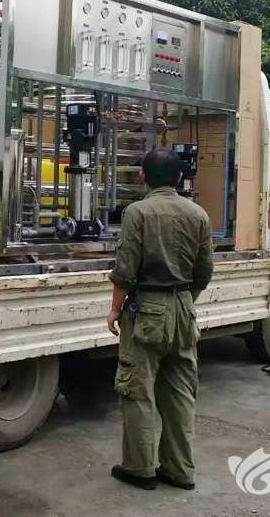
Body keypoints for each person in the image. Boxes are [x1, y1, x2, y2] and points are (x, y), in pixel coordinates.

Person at [107, 147, 213, 491]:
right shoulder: (199, 214)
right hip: (184, 308)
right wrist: (184, 301)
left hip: (146, 310)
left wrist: (114, 309)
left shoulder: (137, 212)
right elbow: (205, 271)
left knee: (138, 388)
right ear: (180, 177)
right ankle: (180, 470)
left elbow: (125, 268)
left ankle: (140, 468)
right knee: (181, 392)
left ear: (143, 176)